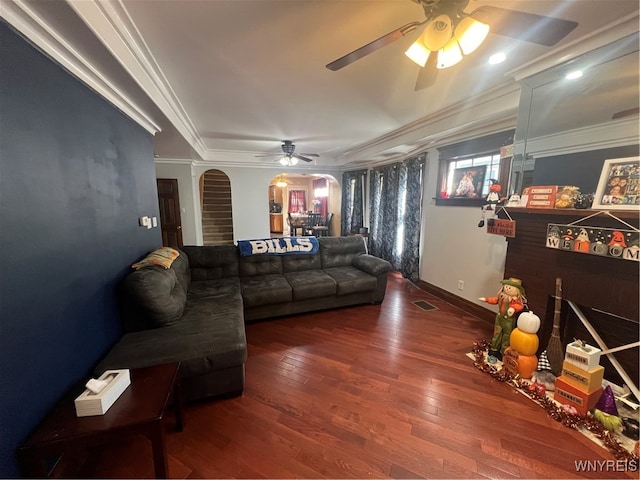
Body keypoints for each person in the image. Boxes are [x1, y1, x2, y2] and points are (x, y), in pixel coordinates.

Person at [479, 278, 526, 363]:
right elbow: (495, 300)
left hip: (508, 321)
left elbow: (519, 306)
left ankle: (503, 352)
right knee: (497, 333)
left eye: (510, 287)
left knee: (506, 336)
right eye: (507, 286)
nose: (507, 289)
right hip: (499, 318)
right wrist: (486, 299)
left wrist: (513, 308)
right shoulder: (501, 297)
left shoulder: (515, 299)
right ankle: (494, 350)